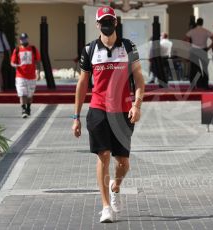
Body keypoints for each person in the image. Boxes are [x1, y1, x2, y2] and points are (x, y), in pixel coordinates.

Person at [72, 6, 145, 223]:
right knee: (103, 155)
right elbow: (83, 84)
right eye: (102, 21)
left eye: (110, 20)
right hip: (98, 108)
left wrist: (137, 106)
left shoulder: (128, 46)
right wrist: (75, 117)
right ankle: (105, 207)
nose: (106, 24)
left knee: (123, 163)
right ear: (97, 25)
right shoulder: (89, 50)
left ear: (116, 22)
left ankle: (116, 187)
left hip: (123, 110)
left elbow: (139, 79)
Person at [10, 33, 41, 118]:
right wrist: (15, 65)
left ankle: (28, 108)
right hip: (20, 76)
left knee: (30, 95)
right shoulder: (17, 50)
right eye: (22, 39)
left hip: (31, 76)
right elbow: (12, 62)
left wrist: (38, 72)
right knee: (22, 94)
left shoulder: (33, 49)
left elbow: (38, 62)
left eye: (25, 39)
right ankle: (23, 110)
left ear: (27, 39)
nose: (24, 40)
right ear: (20, 40)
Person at [185, 18, 213, 89]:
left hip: (194, 50)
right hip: (203, 50)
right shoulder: (205, 31)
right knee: (204, 68)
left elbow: (186, 39)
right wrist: (209, 47)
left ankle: (193, 84)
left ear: (197, 23)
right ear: (202, 23)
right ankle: (205, 85)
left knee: (193, 68)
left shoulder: (192, 31)